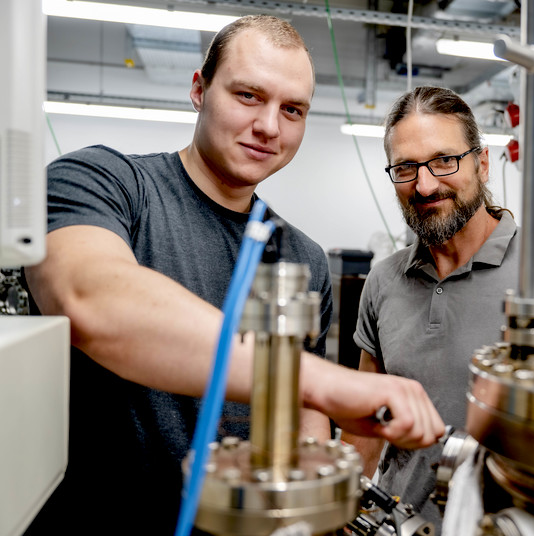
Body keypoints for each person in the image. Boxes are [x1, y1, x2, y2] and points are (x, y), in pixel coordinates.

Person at [23, 16, 443, 535]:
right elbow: (90, 299)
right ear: (199, 89)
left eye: (293, 109)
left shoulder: (302, 260)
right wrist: (330, 383)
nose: (270, 126)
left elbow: (303, 426)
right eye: (248, 95)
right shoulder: (103, 183)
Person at [342, 86, 534, 532]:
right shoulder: (383, 281)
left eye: (445, 160)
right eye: (406, 168)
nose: (424, 185)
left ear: (482, 163)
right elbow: (365, 431)